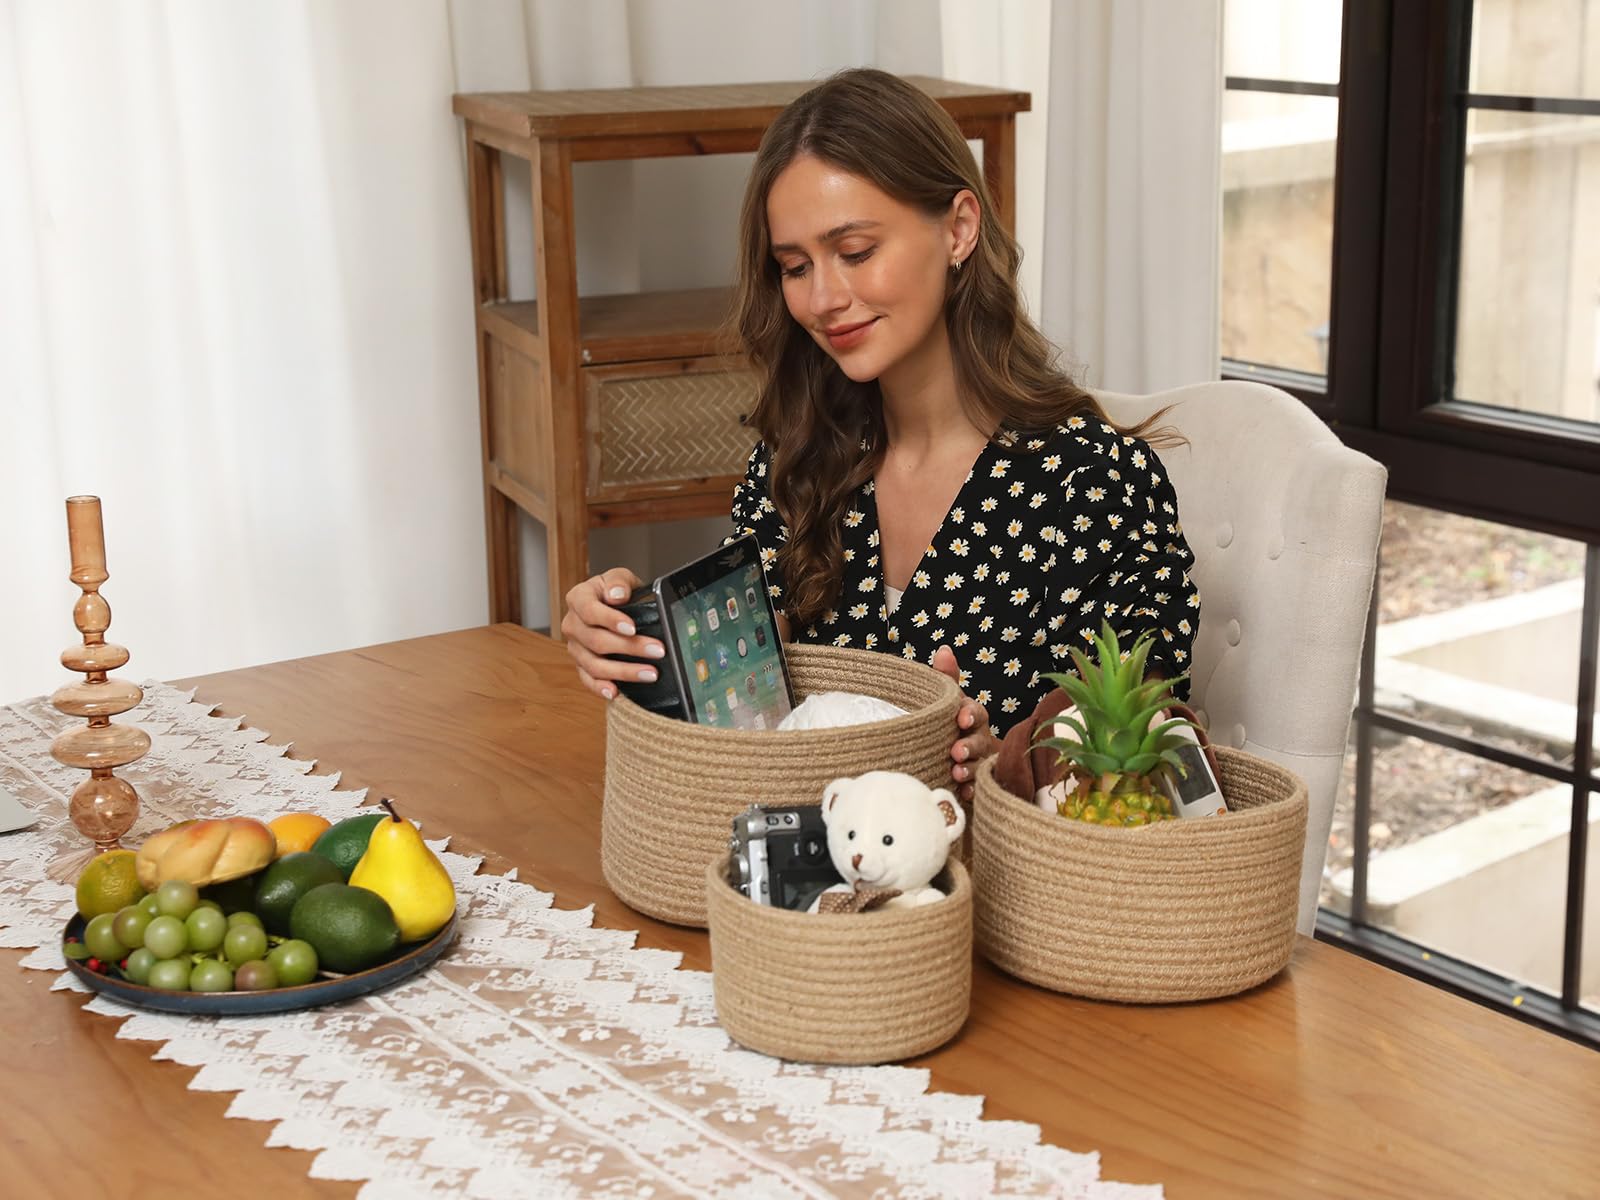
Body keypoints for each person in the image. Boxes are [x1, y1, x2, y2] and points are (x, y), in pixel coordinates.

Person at [563, 68, 1199, 803]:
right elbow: (742, 700)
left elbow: (1153, 778)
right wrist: (629, 632)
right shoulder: (797, 462)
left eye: (857, 251)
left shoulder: (1096, 485)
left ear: (959, 228)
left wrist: (1006, 770)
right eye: (795, 267)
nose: (824, 299)